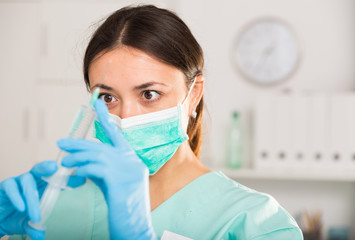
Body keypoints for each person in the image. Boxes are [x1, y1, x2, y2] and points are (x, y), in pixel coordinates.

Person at [0, 5, 303, 240]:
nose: (127, 117)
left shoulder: (256, 223)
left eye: (149, 93)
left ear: (194, 94)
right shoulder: (51, 204)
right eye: (108, 98)